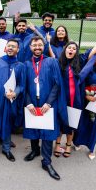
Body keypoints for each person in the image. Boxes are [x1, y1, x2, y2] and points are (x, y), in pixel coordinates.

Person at [54, 27, 96, 158]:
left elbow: (95, 49)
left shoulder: (81, 61)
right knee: (60, 121)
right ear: (65, 50)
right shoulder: (58, 62)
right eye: (69, 48)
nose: (71, 50)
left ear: (76, 52)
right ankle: (57, 144)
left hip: (76, 99)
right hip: (62, 98)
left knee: (72, 122)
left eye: (74, 49)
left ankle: (68, 145)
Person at [23, 36, 68, 181]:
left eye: (40, 45)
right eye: (34, 45)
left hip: (47, 103)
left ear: (44, 46)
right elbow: (23, 86)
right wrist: (28, 102)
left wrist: (49, 103)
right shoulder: (26, 64)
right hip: (32, 103)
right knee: (33, 128)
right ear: (30, 47)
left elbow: (57, 84)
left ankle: (46, 162)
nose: (37, 47)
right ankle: (35, 150)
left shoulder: (51, 61)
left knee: (47, 132)